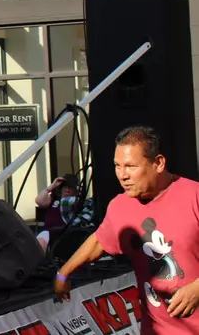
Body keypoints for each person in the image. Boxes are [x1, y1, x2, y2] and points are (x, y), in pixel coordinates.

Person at [54, 126, 199, 331]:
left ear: (158, 163)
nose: (122, 175)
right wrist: (64, 273)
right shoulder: (120, 206)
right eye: (117, 166)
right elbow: (99, 241)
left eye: (130, 166)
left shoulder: (194, 196)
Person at [34, 173, 94, 253]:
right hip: (48, 233)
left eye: (70, 187)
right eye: (65, 186)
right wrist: (52, 186)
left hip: (63, 236)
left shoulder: (75, 202)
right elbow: (39, 201)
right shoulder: (53, 199)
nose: (67, 189)